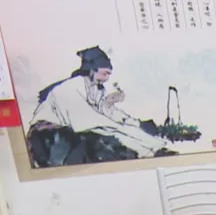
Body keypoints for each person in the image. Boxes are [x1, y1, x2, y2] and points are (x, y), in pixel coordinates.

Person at [28, 46, 172, 167]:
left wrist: (135, 123)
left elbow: (108, 112)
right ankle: (149, 152)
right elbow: (86, 119)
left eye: (108, 74)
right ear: (91, 69)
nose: (106, 79)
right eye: (104, 73)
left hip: (78, 130)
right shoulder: (71, 87)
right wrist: (118, 125)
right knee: (111, 137)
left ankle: (157, 150)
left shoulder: (96, 88)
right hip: (50, 137)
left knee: (124, 130)